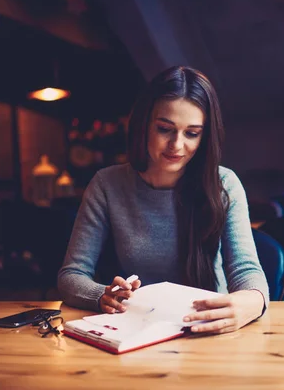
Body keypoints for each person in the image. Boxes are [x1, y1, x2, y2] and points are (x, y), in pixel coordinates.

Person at [58, 66, 269, 334]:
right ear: (144, 124)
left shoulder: (224, 184)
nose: (176, 145)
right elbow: (71, 275)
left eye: (192, 133)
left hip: (207, 330)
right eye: (164, 129)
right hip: (136, 329)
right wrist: (103, 295)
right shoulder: (107, 185)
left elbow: (246, 269)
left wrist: (252, 300)